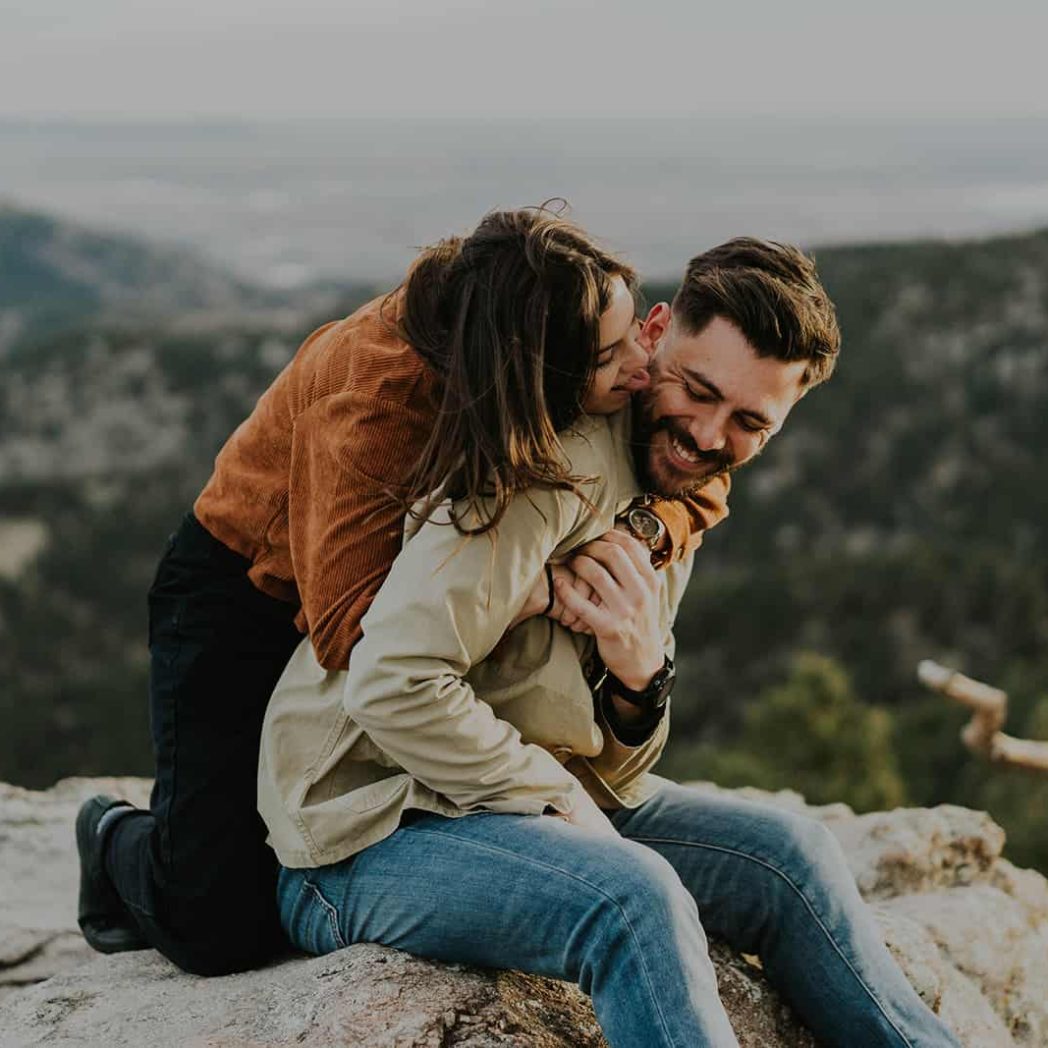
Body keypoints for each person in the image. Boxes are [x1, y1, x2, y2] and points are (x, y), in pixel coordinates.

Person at [263, 239, 962, 1047]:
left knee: (790, 857)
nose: (706, 436)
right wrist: (553, 795)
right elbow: (390, 681)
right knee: (632, 899)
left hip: (508, 810)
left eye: (748, 423)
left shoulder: (670, 491)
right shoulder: (546, 465)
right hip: (367, 831)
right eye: (698, 391)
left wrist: (642, 678)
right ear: (655, 335)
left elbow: (616, 776)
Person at [74, 206, 729, 977]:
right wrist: (543, 589)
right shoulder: (378, 403)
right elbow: (349, 626)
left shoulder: (535, 300)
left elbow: (705, 481)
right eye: (609, 358)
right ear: (534, 372)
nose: (642, 371)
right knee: (217, 921)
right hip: (245, 597)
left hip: (371, 604)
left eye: (635, 337)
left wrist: (645, 536)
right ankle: (112, 834)